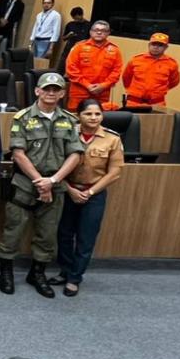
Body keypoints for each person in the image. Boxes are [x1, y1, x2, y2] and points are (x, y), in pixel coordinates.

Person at [0, 72, 83, 298]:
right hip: (25, 184)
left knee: (47, 235)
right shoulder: (22, 117)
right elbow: (18, 154)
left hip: (55, 185)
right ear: (37, 90)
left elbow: (75, 154)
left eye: (56, 89)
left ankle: (37, 274)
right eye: (46, 89)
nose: (51, 93)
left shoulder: (70, 120)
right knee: (13, 230)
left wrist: (52, 181)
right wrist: (40, 182)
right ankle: (5, 272)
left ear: (62, 93)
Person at [50, 99, 123, 297]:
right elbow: (55, 163)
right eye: (88, 114)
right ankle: (64, 271)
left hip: (94, 194)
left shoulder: (112, 139)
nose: (93, 118)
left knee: (86, 238)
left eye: (97, 114)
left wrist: (89, 193)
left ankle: (75, 278)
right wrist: (69, 188)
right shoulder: (67, 133)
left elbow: (114, 172)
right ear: (78, 115)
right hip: (67, 191)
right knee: (64, 235)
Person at [64, 20, 123, 110]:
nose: (99, 32)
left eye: (103, 31)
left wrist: (103, 86)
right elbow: (71, 69)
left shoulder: (115, 50)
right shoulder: (79, 47)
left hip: (102, 94)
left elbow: (116, 72)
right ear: (90, 32)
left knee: (97, 120)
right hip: (79, 93)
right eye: (96, 30)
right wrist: (87, 85)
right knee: (75, 119)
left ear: (108, 33)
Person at [122, 33, 180, 108]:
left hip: (157, 103)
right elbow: (126, 78)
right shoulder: (136, 60)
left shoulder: (172, 63)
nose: (156, 47)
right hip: (134, 102)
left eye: (160, 45)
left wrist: (159, 91)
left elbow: (174, 82)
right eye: (153, 44)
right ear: (149, 45)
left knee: (156, 120)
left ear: (166, 47)